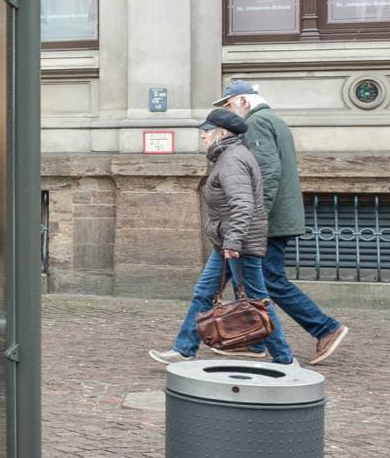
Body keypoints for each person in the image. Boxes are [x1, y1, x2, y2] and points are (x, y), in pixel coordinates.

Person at [216, 80, 350, 366]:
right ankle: (255, 339)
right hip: (277, 215)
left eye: (228, 105)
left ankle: (325, 328)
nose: (227, 112)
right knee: (248, 279)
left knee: (268, 280)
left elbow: (267, 173)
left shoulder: (256, 123)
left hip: (270, 220)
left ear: (243, 101)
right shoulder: (273, 120)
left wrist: (254, 218)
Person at [149, 107, 294, 366]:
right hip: (227, 242)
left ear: (223, 133)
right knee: (204, 294)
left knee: (256, 301)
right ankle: (184, 349)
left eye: (207, 131)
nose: (202, 135)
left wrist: (234, 241)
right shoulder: (228, 156)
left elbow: (243, 204)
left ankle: (284, 359)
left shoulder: (232, 160)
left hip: (239, 244)